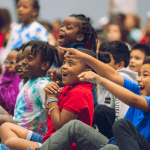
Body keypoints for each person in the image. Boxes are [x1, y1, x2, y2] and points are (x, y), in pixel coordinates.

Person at [53, 46, 150, 150]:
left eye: (145, 75)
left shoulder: (140, 98)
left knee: (121, 125)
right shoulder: (137, 90)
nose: (139, 79)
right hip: (115, 144)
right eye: (140, 74)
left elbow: (133, 101)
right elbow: (113, 75)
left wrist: (100, 80)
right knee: (75, 126)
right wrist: (82, 56)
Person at [0, 48, 96, 150]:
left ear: (86, 72)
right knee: (5, 127)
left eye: (71, 63)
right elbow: (50, 119)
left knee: (10, 143)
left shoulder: (79, 93)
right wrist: (48, 97)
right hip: (51, 139)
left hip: (62, 146)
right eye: (64, 62)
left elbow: (60, 127)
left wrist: (51, 98)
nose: (63, 67)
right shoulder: (70, 87)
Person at [0, 40, 58, 135]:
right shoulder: (24, 83)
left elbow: (51, 115)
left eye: (29, 59)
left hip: (33, 134)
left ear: (44, 65)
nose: (23, 62)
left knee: (3, 119)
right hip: (17, 128)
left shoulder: (43, 86)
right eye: (23, 58)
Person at [51, 14, 98, 105]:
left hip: (84, 104)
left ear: (79, 37)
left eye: (68, 28)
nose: (61, 29)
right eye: (62, 26)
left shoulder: (79, 53)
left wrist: (47, 70)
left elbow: (71, 72)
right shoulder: (69, 51)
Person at [94, 41, 138, 139]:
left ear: (120, 65)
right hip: (112, 129)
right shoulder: (101, 76)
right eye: (100, 59)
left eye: (106, 59)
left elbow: (124, 119)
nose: (101, 63)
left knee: (101, 111)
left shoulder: (123, 79)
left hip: (126, 135)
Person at [0, 49, 22, 116]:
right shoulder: (4, 78)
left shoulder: (20, 80)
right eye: (6, 62)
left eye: (12, 63)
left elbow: (14, 104)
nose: (7, 66)